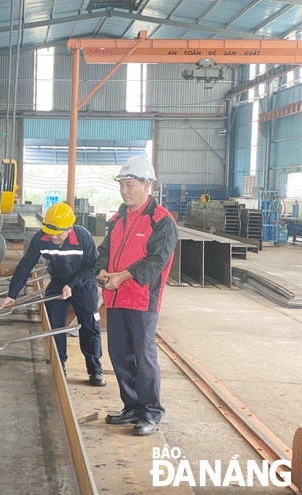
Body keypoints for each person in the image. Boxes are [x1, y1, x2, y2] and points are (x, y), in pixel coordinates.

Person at [95, 157, 178, 436]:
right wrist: (103, 270)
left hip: (142, 300)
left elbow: (156, 260)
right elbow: (106, 249)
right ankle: (131, 407)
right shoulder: (118, 218)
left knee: (144, 357)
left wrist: (123, 277)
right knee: (119, 355)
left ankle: (151, 412)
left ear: (147, 185)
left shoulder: (161, 221)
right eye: (122, 185)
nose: (124, 191)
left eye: (129, 185)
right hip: (115, 298)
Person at [0, 202, 106, 386]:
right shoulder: (42, 238)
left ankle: (95, 369)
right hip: (58, 282)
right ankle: (60, 364)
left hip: (83, 284)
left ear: (70, 228)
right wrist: (12, 294)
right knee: (55, 323)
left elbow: (92, 267)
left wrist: (72, 285)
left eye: (58, 233)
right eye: (50, 231)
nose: (54, 237)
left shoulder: (83, 237)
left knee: (89, 324)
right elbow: (26, 265)